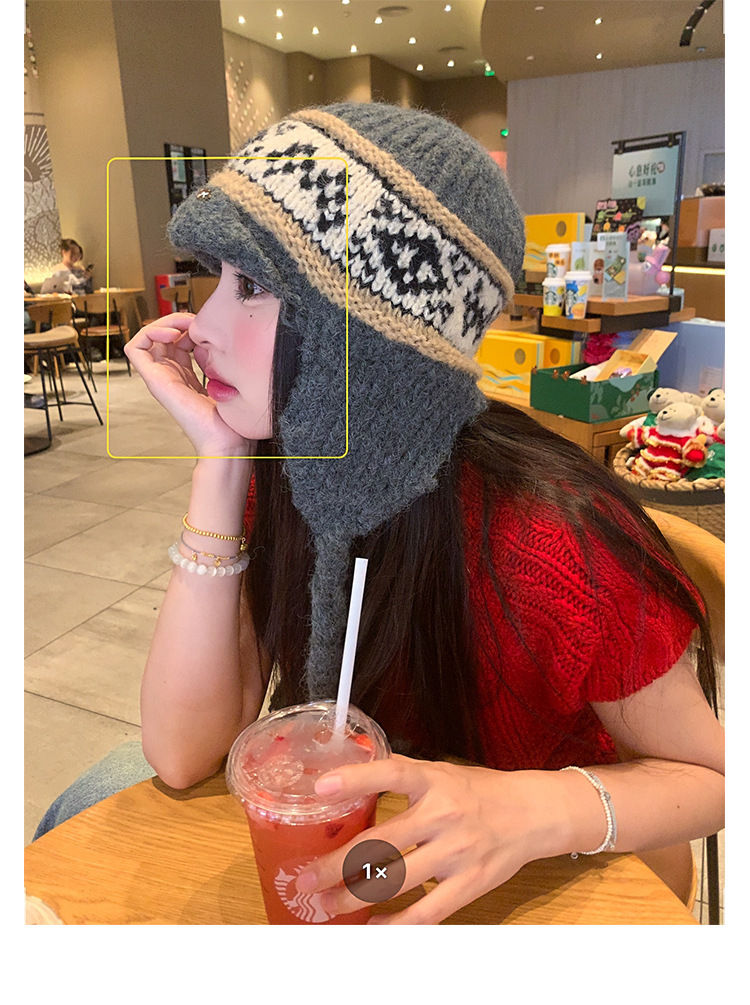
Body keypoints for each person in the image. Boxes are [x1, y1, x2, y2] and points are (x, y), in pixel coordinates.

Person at [34, 102, 724, 925]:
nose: (199, 326)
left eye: (252, 286)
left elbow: (715, 778)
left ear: (366, 335)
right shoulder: (288, 471)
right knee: (85, 801)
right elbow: (184, 754)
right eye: (216, 277)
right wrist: (220, 460)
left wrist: (534, 806)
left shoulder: (547, 536)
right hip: (371, 853)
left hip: (542, 876)